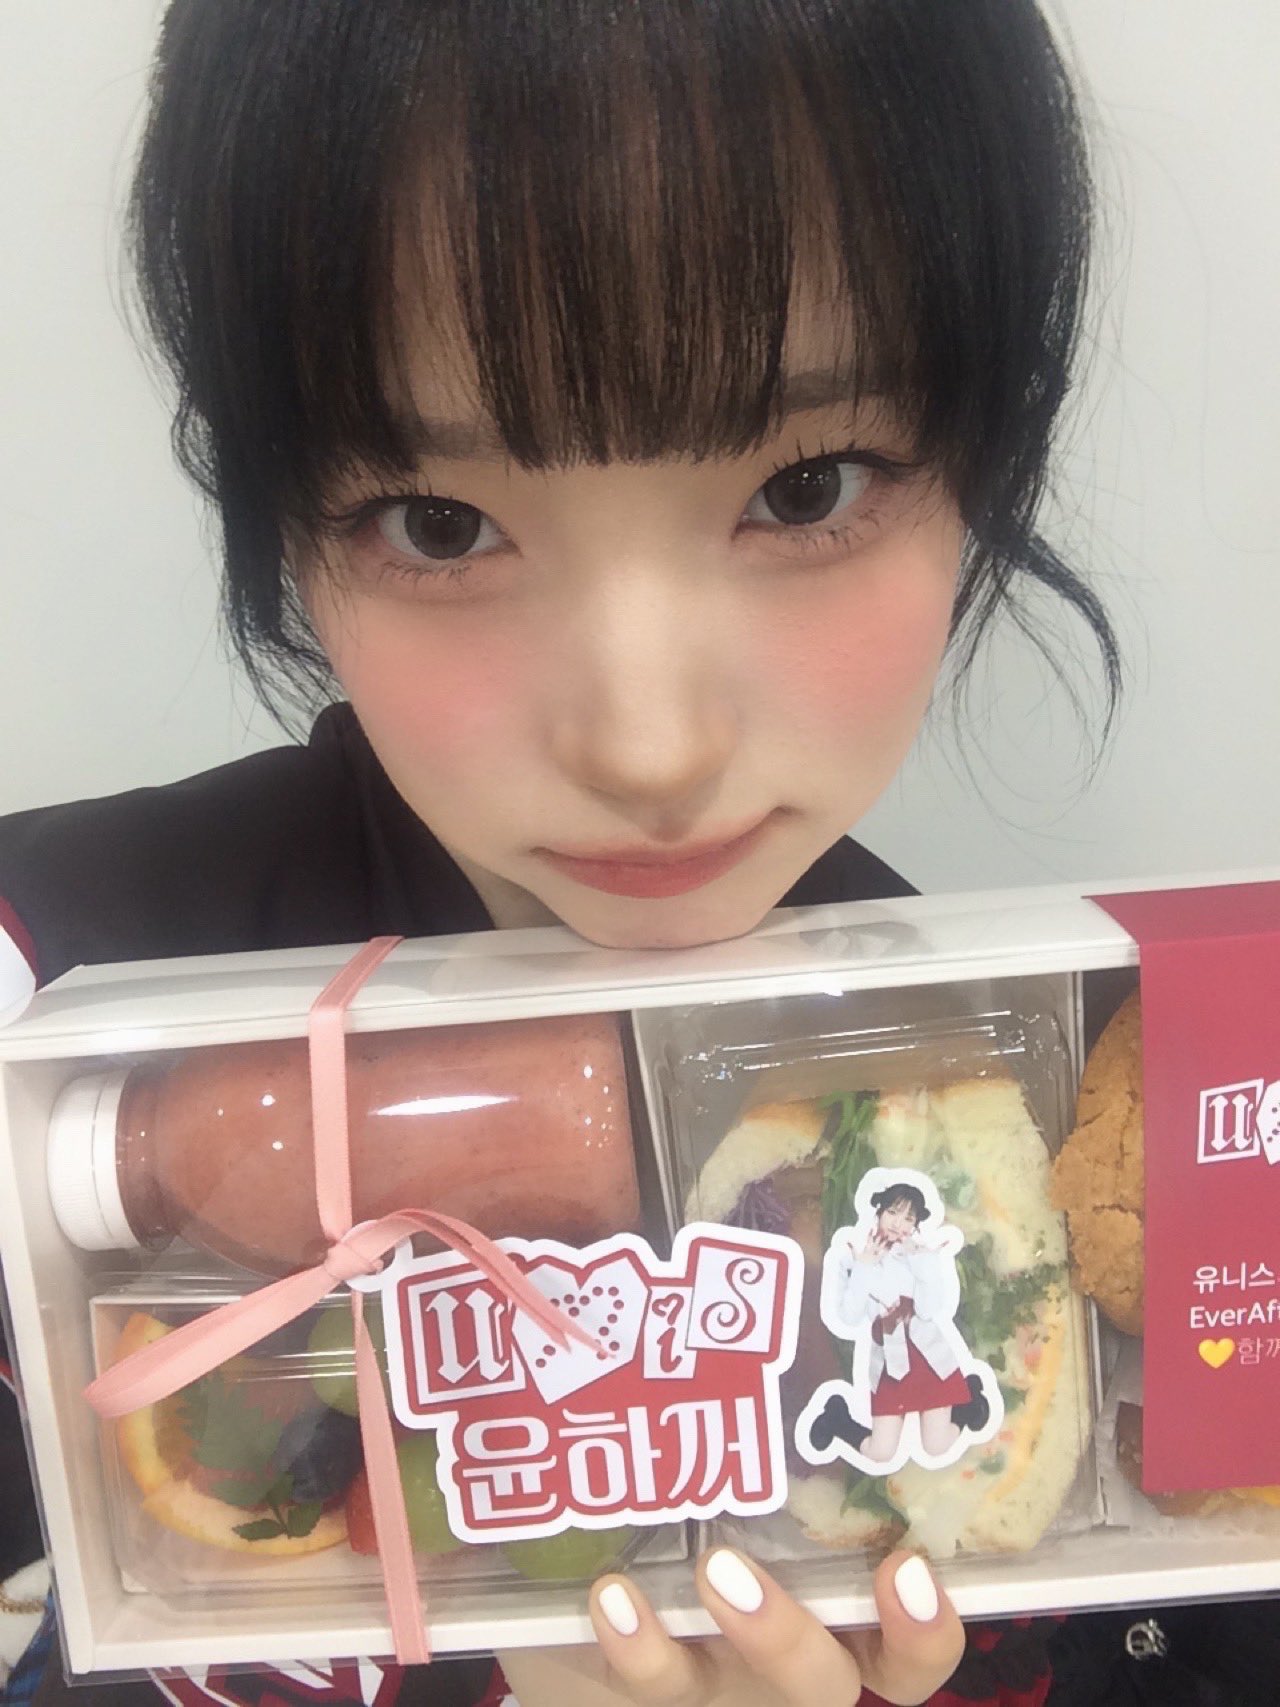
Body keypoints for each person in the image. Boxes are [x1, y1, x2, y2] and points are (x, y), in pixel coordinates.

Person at [0, 1, 1133, 1703]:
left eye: (809, 486)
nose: (648, 746)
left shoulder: (1026, 1133)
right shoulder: (51, 977)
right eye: (442, 522)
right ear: (287, 526)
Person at [808, 1181, 992, 1468]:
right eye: (893, 1212)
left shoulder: (919, 1255)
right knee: (881, 1451)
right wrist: (864, 1266)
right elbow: (849, 1316)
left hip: (928, 1356)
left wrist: (921, 1262)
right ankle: (838, 1420)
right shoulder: (853, 1255)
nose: (898, 1224)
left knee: (936, 1445)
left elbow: (928, 1310)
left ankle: (967, 1405)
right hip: (889, 1363)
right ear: (879, 1212)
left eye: (909, 1218)